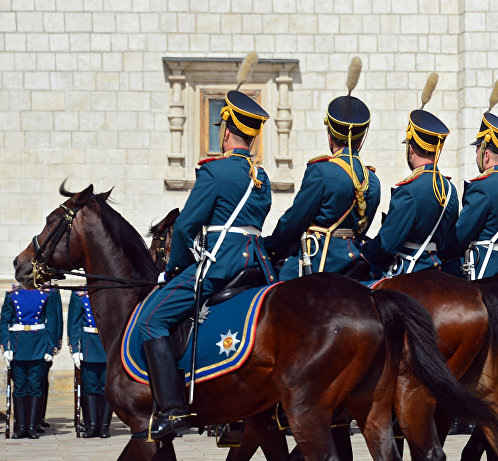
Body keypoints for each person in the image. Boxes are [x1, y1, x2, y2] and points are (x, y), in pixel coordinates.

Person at [135, 89, 274, 440]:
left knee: (152, 320)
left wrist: (176, 267)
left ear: (226, 131)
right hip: (256, 264)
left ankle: (172, 409)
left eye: (222, 127)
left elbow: (184, 227)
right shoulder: (263, 179)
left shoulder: (214, 172)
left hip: (220, 266)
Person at [265, 59, 380, 279]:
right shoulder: (372, 179)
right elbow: (362, 228)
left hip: (320, 261)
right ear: (362, 137)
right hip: (355, 261)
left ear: (330, 135)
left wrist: (271, 249)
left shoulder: (321, 171)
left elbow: (295, 221)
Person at [362, 73, 458, 277]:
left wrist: (365, 253)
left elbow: (387, 245)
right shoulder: (450, 189)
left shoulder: (409, 190)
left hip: (409, 271)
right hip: (437, 269)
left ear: (411, 148)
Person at [447, 79, 498, 280]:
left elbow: (460, 237)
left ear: (485, 154)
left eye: (477, 150)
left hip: (482, 271)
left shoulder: (482, 187)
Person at [1, 284, 62, 439]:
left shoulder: (45, 294)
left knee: (35, 386)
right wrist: (6, 347)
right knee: (20, 387)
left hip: (38, 345)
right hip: (18, 345)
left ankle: (32, 427)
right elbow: (4, 322)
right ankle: (21, 427)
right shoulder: (12, 295)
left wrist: (50, 348)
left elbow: (52, 323)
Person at [68, 290, 112, 438]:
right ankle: (93, 425)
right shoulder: (80, 295)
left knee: (106, 389)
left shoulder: (111, 292)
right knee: (90, 388)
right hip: (88, 346)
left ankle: (105, 426)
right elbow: (74, 324)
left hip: (107, 345)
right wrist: (75, 349)